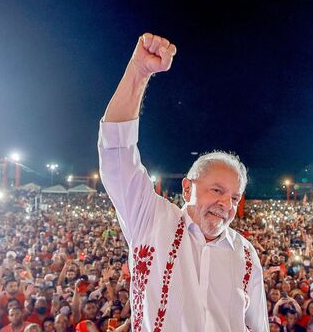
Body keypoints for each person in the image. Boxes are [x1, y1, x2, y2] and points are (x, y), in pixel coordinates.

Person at [98, 32, 268, 331]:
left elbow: (258, 326)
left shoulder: (246, 255)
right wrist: (138, 74)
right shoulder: (150, 219)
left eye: (234, 197)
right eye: (217, 190)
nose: (226, 204)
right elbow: (116, 152)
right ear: (188, 187)